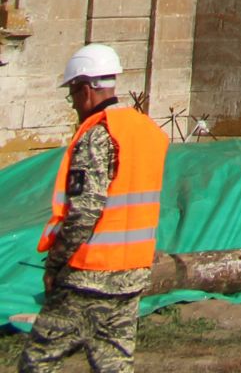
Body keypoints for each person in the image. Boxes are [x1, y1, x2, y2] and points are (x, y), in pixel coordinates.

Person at [20, 48, 167, 373]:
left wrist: (55, 265)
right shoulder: (145, 131)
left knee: (38, 363)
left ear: (85, 88)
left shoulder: (99, 135)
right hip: (132, 272)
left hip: (88, 276)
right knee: (113, 364)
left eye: (72, 93)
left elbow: (85, 210)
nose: (72, 103)